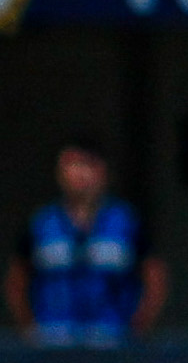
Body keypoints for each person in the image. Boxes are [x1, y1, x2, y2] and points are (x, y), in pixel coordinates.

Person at [6, 139, 165, 345]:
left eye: (87, 165)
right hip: (52, 341)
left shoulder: (127, 222)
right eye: (71, 165)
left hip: (112, 340)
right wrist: (30, 330)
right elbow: (17, 279)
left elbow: (155, 277)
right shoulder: (41, 223)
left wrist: (137, 330)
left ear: (102, 171)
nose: (79, 174)